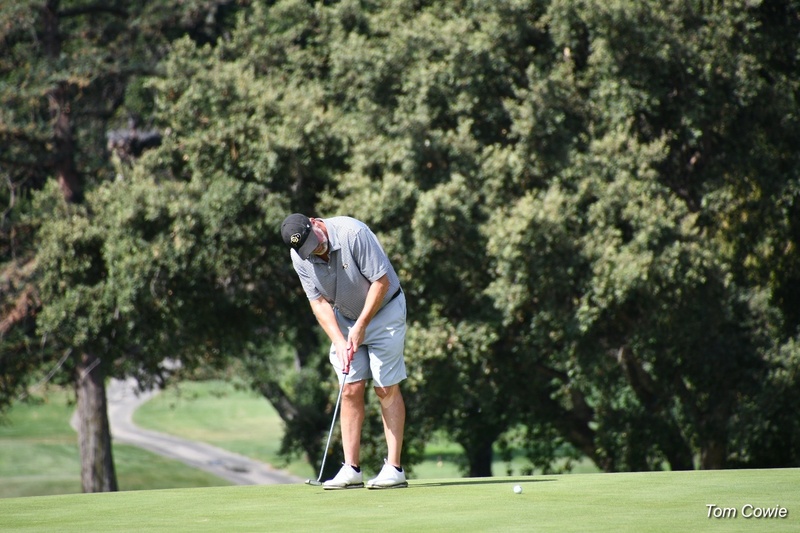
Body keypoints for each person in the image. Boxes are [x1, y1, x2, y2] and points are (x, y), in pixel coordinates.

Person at [280, 213, 408, 489]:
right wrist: (339, 340)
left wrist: (361, 325)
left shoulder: (353, 234)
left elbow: (381, 282)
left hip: (385, 312)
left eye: (315, 241)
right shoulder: (300, 256)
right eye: (308, 249)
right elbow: (317, 302)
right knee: (349, 388)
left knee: (385, 388)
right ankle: (351, 469)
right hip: (346, 318)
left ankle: (394, 468)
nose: (315, 249)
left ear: (314, 222)